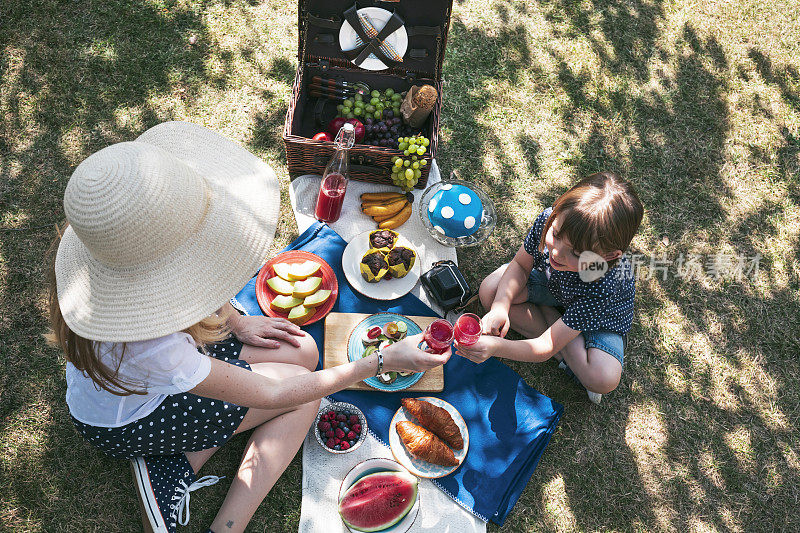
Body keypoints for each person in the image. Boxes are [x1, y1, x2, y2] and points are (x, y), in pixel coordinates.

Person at [47, 122, 450, 533]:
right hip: (130, 422)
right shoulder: (153, 347)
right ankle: (223, 521)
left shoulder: (105, 260)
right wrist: (381, 360)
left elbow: (193, 264)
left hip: (150, 381)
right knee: (303, 397)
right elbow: (275, 393)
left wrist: (237, 322)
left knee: (305, 352)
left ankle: (177, 460)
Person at [455, 172, 643, 404]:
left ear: (608, 257)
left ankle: (559, 329)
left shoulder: (605, 283)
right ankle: (565, 337)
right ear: (556, 212)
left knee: (603, 379)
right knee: (490, 292)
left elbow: (545, 346)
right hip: (553, 284)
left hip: (598, 318)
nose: (556, 252)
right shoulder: (548, 220)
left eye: (575, 253)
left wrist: (496, 347)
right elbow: (520, 265)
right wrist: (500, 307)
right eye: (556, 235)